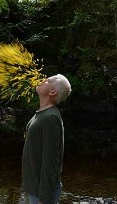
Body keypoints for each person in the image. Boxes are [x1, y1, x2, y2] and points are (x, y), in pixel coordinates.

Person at [22, 74, 72, 204]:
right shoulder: (42, 113)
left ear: (53, 92)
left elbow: (51, 160)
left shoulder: (51, 118)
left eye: (48, 80)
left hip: (42, 193)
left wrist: (44, 198)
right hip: (36, 188)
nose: (42, 80)